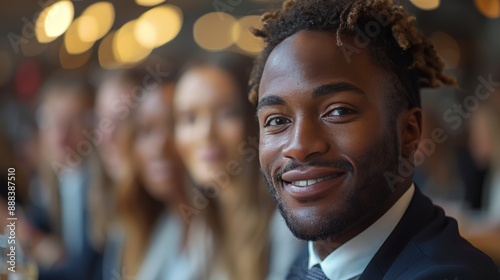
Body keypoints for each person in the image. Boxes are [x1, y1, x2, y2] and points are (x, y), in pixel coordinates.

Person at [249, 0, 500, 279]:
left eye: (338, 111)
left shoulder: (448, 274)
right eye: (277, 121)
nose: (298, 146)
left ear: (409, 132)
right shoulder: (307, 264)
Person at [174, 52, 304, 280]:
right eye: (190, 118)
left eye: (227, 113)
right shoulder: (204, 226)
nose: (205, 134)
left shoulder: (288, 222)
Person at [114, 80, 200, 280]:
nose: (159, 146)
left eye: (172, 125)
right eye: (146, 131)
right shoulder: (161, 227)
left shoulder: (221, 228)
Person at [29, 72, 109, 280]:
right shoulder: (54, 177)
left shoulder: (103, 186)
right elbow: (35, 226)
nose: (59, 133)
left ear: (92, 124)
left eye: (72, 121)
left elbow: (85, 272)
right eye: (50, 120)